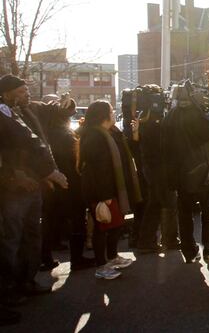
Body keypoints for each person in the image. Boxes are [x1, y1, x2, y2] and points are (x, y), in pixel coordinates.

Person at [0, 75, 68, 300]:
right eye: (21, 91)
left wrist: (46, 172)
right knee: (11, 240)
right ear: (6, 94)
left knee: (31, 235)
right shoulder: (3, 115)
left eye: (26, 90)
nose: (26, 94)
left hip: (32, 184)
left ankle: (27, 281)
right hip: (13, 190)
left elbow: (37, 144)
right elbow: (23, 145)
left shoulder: (22, 112)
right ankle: (8, 290)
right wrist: (15, 177)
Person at [77, 100, 140, 279]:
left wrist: (135, 132)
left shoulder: (111, 132)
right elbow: (97, 169)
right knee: (102, 227)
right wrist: (104, 196)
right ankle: (101, 266)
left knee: (115, 226)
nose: (114, 114)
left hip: (114, 188)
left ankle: (112, 257)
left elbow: (126, 153)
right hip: (100, 191)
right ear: (103, 116)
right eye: (111, 111)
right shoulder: (94, 136)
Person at [162, 81, 209, 263]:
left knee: (185, 214)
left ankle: (189, 252)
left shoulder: (169, 116)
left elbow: (164, 148)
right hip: (202, 172)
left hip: (181, 175)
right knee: (208, 211)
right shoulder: (195, 115)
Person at [36, 94, 93, 271]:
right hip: (70, 182)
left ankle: (45, 258)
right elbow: (75, 159)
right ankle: (77, 259)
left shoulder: (44, 132)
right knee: (77, 219)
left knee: (49, 220)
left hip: (51, 182)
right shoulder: (65, 134)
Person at [127, 87, 180, 254]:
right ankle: (166, 240)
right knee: (166, 203)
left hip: (149, 168)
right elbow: (165, 147)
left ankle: (148, 241)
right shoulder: (156, 123)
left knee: (155, 203)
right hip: (159, 169)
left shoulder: (143, 121)